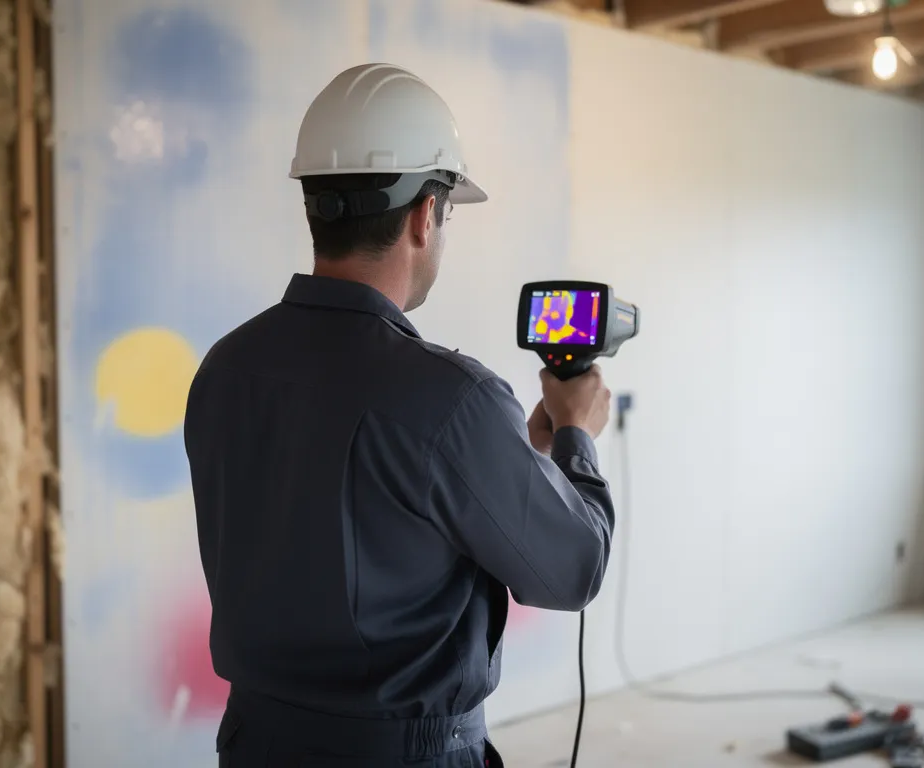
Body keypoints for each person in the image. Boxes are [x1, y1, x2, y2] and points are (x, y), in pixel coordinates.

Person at [184, 63, 615, 768]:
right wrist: (575, 438)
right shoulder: (451, 398)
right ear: (425, 215)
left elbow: (355, 510)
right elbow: (572, 571)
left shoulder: (226, 368)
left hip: (255, 744)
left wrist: (514, 460)